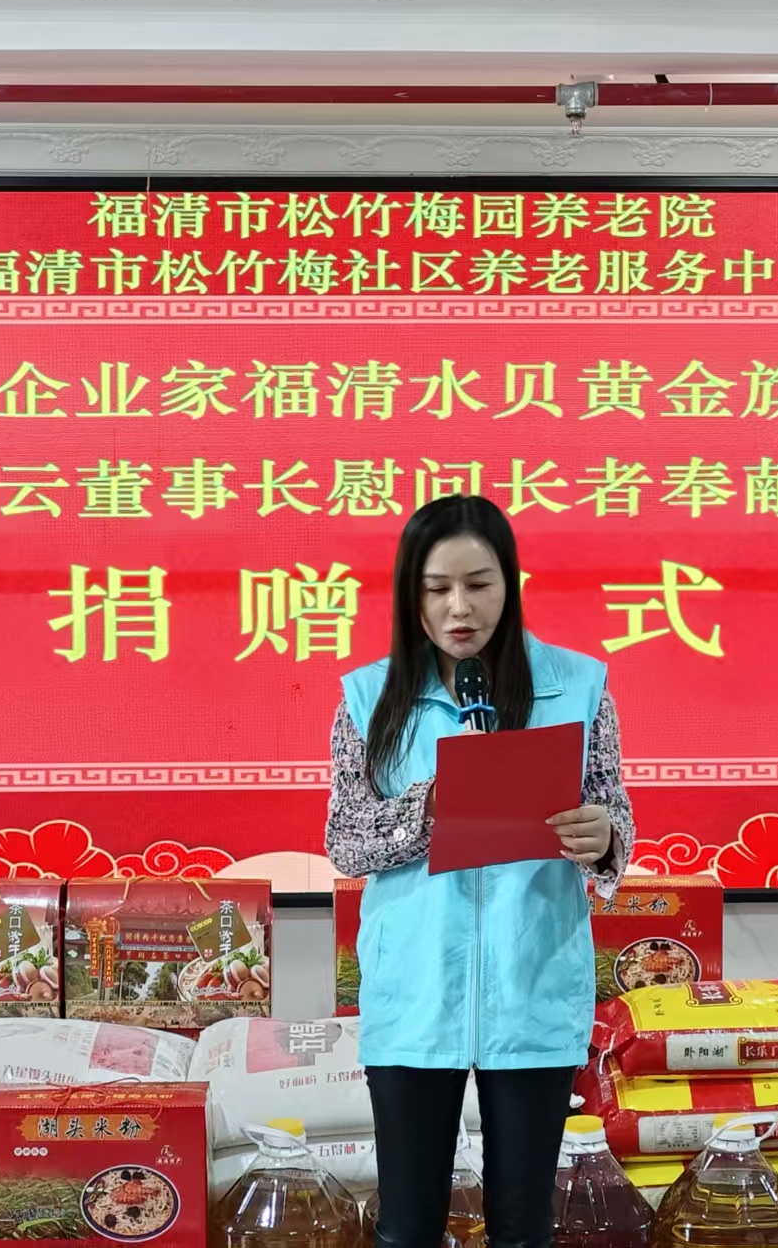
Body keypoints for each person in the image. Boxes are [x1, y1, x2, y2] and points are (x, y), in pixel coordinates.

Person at [326, 495, 634, 1248]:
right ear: (411, 594)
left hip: (534, 986)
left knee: (524, 1228)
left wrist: (601, 837)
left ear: (510, 584)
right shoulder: (370, 697)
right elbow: (345, 842)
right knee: (406, 1228)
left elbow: (615, 819)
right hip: (415, 993)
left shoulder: (578, 686)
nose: (459, 608)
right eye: (437, 588)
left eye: (479, 584)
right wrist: (428, 808)